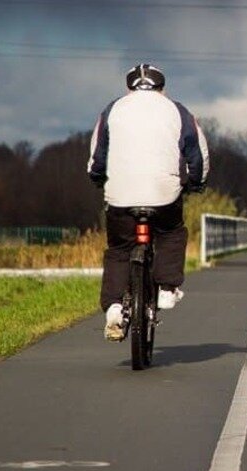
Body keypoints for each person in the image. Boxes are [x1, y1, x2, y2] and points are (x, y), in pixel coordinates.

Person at [88, 63, 209, 341]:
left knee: (119, 248)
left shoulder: (113, 110)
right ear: (162, 88)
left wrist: (98, 178)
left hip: (120, 195)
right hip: (163, 192)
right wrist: (197, 183)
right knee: (170, 232)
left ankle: (115, 308)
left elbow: (97, 154)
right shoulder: (177, 111)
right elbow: (198, 154)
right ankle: (166, 288)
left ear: (129, 88)